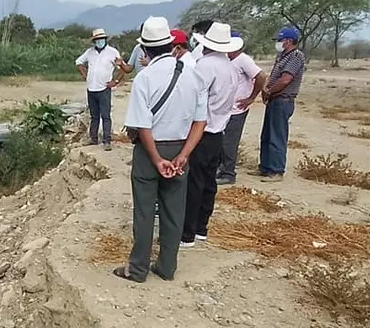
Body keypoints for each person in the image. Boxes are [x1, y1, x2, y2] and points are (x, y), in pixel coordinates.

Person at [113, 16, 207, 283]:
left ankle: (138, 268)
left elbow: (142, 126)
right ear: (170, 45)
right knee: (174, 210)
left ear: (145, 49)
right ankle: (167, 266)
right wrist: (183, 155)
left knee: (144, 211)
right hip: (181, 148)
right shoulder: (194, 75)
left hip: (149, 150)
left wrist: (156, 159)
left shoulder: (145, 79)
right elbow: (201, 122)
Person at [180, 22, 240, 249]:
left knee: (193, 182)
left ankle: (187, 233)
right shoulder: (230, 67)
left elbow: (193, 96)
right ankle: (201, 228)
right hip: (218, 130)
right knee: (208, 182)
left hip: (201, 130)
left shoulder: (205, 66)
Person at [254, 26, 306, 182]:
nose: (278, 43)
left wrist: (269, 91)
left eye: (280, 40)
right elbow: (273, 76)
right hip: (274, 99)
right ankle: (265, 167)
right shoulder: (283, 56)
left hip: (282, 99)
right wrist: (265, 89)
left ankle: (276, 170)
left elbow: (285, 79)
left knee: (277, 135)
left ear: (289, 41)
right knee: (267, 135)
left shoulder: (295, 56)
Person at [216, 31, 266, 185]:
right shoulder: (227, 59)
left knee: (230, 142)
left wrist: (251, 97)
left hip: (237, 109)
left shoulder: (243, 60)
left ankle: (228, 173)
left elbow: (261, 76)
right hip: (226, 108)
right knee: (222, 140)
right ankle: (222, 167)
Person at [76, 29, 122, 150]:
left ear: (105, 39)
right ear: (94, 41)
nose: (99, 41)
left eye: (101, 39)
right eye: (97, 40)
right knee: (94, 116)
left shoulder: (112, 52)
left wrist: (115, 81)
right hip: (91, 88)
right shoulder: (89, 52)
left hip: (104, 88)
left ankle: (107, 141)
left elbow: (122, 67)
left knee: (105, 115)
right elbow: (78, 62)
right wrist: (84, 74)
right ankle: (93, 138)